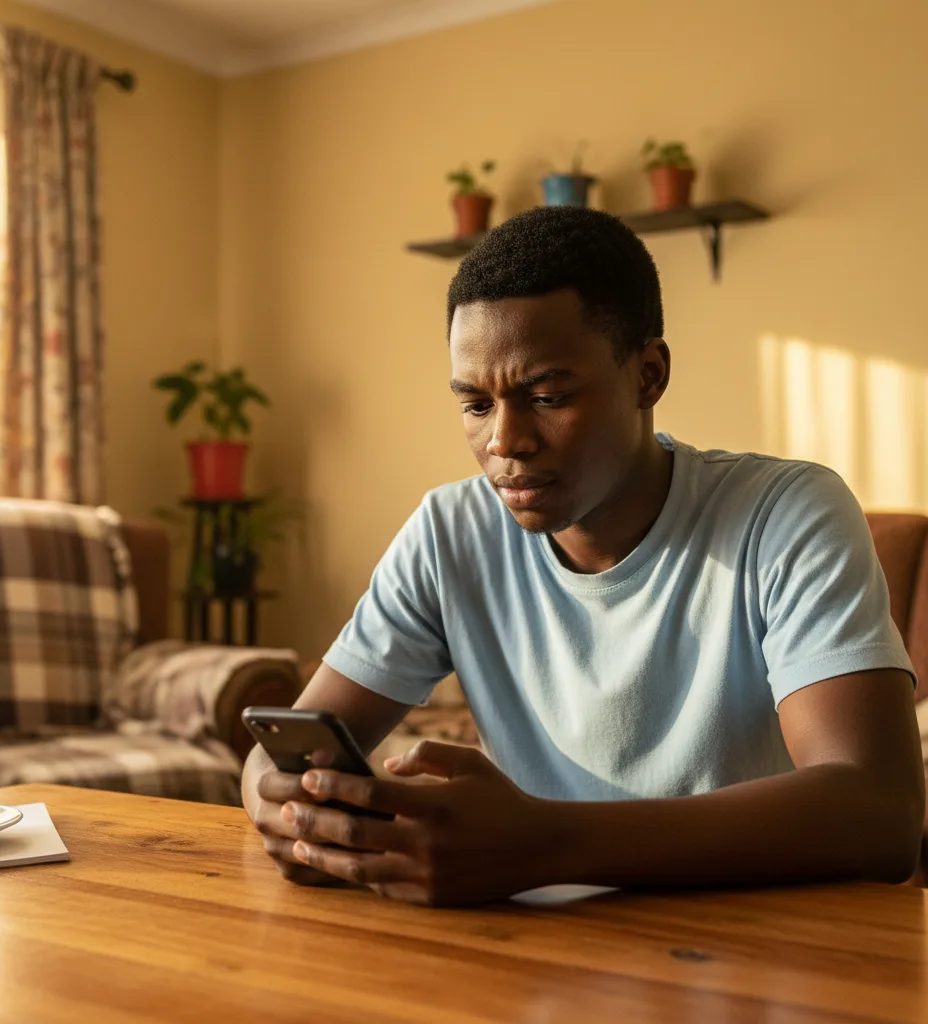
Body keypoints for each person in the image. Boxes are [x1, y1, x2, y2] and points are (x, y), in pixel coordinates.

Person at [242, 206, 924, 906]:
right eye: (475, 405)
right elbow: (284, 742)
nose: (506, 442)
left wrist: (544, 843)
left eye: (547, 396)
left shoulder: (784, 513)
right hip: (534, 956)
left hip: (753, 949)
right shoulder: (448, 533)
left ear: (648, 375)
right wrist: (285, 803)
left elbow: (880, 814)